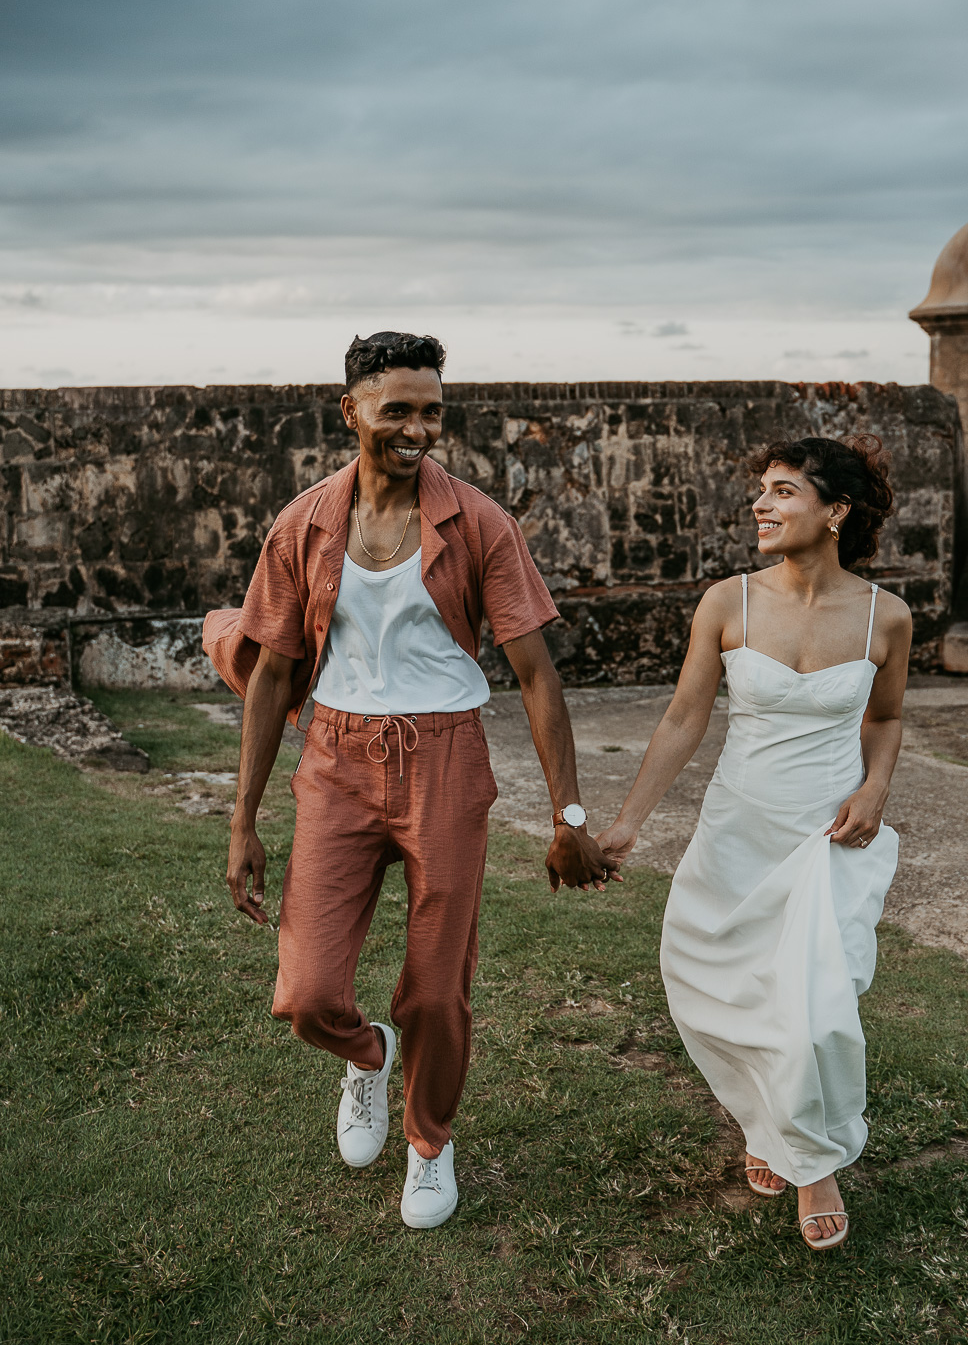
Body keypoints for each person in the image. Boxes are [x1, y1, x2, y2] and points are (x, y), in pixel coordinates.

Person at [203, 331, 614, 1231]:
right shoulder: (305, 523)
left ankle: (430, 1143)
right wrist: (243, 821)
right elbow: (273, 675)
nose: (419, 427)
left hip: (445, 759)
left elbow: (537, 674)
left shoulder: (481, 524)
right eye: (398, 409)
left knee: (437, 986)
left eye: (432, 409)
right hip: (338, 760)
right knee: (307, 994)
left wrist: (568, 812)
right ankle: (366, 1056)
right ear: (350, 411)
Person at [597, 434, 910, 1251]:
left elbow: (884, 717)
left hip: (826, 838)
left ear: (835, 511)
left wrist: (875, 788)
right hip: (740, 831)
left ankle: (817, 1166)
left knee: (815, 1011)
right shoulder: (727, 602)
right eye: (761, 491)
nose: (762, 506)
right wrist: (630, 822)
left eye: (783, 491)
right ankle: (766, 1124)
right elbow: (684, 717)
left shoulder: (888, 617)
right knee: (722, 991)